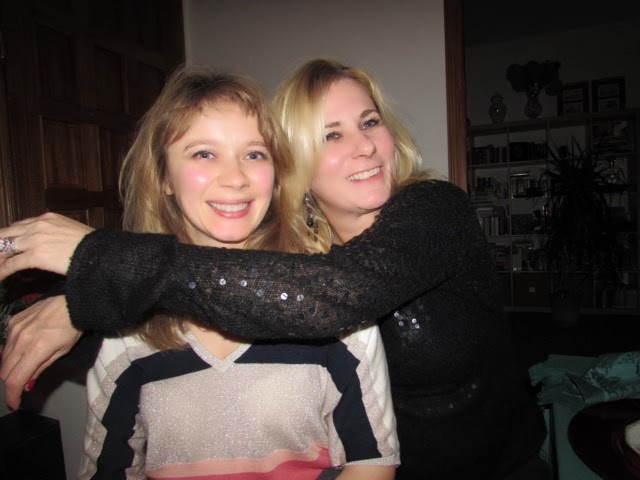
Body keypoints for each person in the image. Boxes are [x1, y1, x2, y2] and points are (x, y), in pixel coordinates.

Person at [0, 58, 548, 479]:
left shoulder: (435, 210)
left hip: (498, 470)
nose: (364, 146)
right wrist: (79, 303)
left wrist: (100, 267)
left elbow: (338, 294)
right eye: (331, 134)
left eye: (369, 122)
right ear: (295, 165)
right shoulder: (298, 263)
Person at [74, 64, 399, 479]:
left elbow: (371, 465)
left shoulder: (331, 300)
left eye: (254, 154)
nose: (235, 178)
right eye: (204, 153)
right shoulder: (125, 332)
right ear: (163, 177)